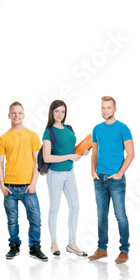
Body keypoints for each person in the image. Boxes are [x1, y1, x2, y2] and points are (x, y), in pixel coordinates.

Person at [0, 102, 48, 261]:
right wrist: (2, 185)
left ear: (23, 115)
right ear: (9, 115)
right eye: (13, 113)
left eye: (19, 113)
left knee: (35, 219)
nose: (16, 115)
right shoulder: (4, 137)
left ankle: (34, 247)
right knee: (12, 221)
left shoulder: (32, 135)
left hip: (28, 187)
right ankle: (14, 246)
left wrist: (33, 184)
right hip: (10, 188)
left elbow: (36, 161)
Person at [88, 96, 133, 264]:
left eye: (108, 107)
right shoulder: (97, 129)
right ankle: (102, 249)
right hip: (99, 179)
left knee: (120, 215)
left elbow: (131, 154)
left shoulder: (123, 128)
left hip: (116, 179)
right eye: (102, 107)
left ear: (115, 109)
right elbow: (94, 153)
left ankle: (124, 250)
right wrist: (92, 171)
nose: (105, 110)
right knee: (101, 216)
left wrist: (120, 173)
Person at [40, 100, 88, 257]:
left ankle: (72, 243)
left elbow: (69, 150)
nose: (60, 114)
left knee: (76, 207)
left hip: (70, 173)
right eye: (57, 111)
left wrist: (80, 152)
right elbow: (47, 157)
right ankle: (54, 243)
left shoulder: (69, 129)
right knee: (55, 209)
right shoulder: (49, 132)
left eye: (62, 111)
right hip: (56, 175)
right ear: (52, 113)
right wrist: (70, 156)